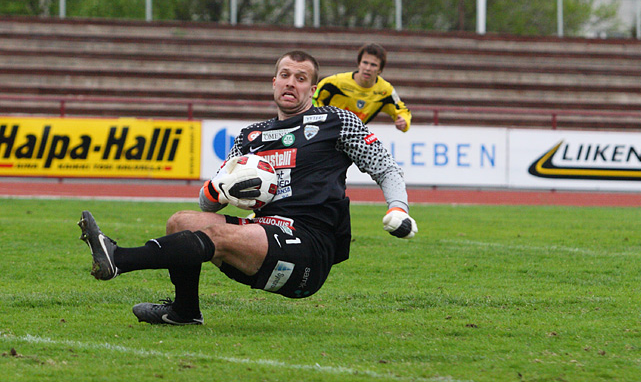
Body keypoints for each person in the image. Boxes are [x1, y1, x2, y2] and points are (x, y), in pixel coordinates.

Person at [77, 50, 418, 326]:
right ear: (273, 83)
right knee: (181, 221)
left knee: (220, 238)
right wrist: (219, 188)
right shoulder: (249, 137)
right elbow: (208, 202)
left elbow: (384, 167)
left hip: (309, 248)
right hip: (263, 235)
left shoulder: (336, 121)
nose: (291, 83)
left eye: (301, 79)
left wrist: (398, 207)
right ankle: (184, 312)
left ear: (312, 89)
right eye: (285, 75)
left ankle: (119, 259)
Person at [313, 43, 412, 132]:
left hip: (352, 136)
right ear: (359, 64)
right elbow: (313, 98)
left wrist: (404, 121)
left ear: (380, 70)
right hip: (325, 131)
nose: (368, 68)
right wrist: (322, 120)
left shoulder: (385, 91)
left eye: (373, 65)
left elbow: (402, 110)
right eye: (365, 63)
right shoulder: (334, 82)